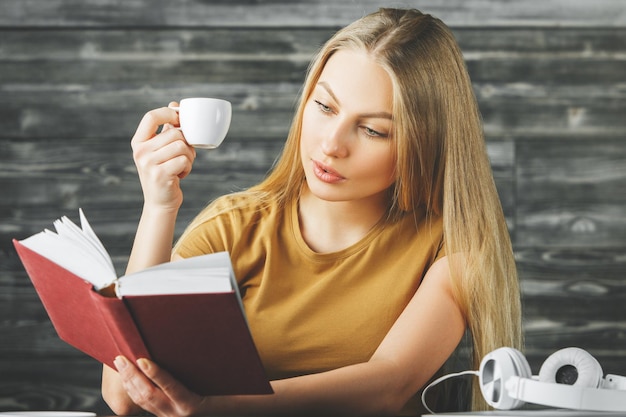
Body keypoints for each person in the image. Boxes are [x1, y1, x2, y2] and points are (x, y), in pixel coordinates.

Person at [101, 7, 522, 416]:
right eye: (324, 107)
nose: (331, 145)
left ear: (426, 143)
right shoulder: (233, 227)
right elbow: (122, 395)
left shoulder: (454, 247)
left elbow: (389, 385)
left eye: (373, 130)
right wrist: (159, 207)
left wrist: (213, 408)